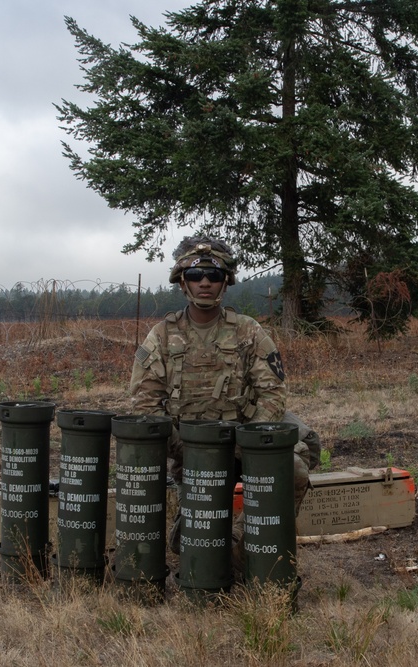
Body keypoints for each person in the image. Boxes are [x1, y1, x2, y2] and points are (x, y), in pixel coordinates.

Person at [128, 236, 318, 561]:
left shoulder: (248, 331)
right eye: (195, 276)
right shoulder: (160, 336)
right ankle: (200, 531)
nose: (205, 283)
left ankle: (246, 540)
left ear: (225, 282)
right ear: (182, 282)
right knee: (191, 543)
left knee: (298, 465)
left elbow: (272, 393)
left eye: (213, 276)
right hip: (193, 453)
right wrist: (187, 451)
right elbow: (145, 406)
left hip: (244, 442)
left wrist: (254, 443)